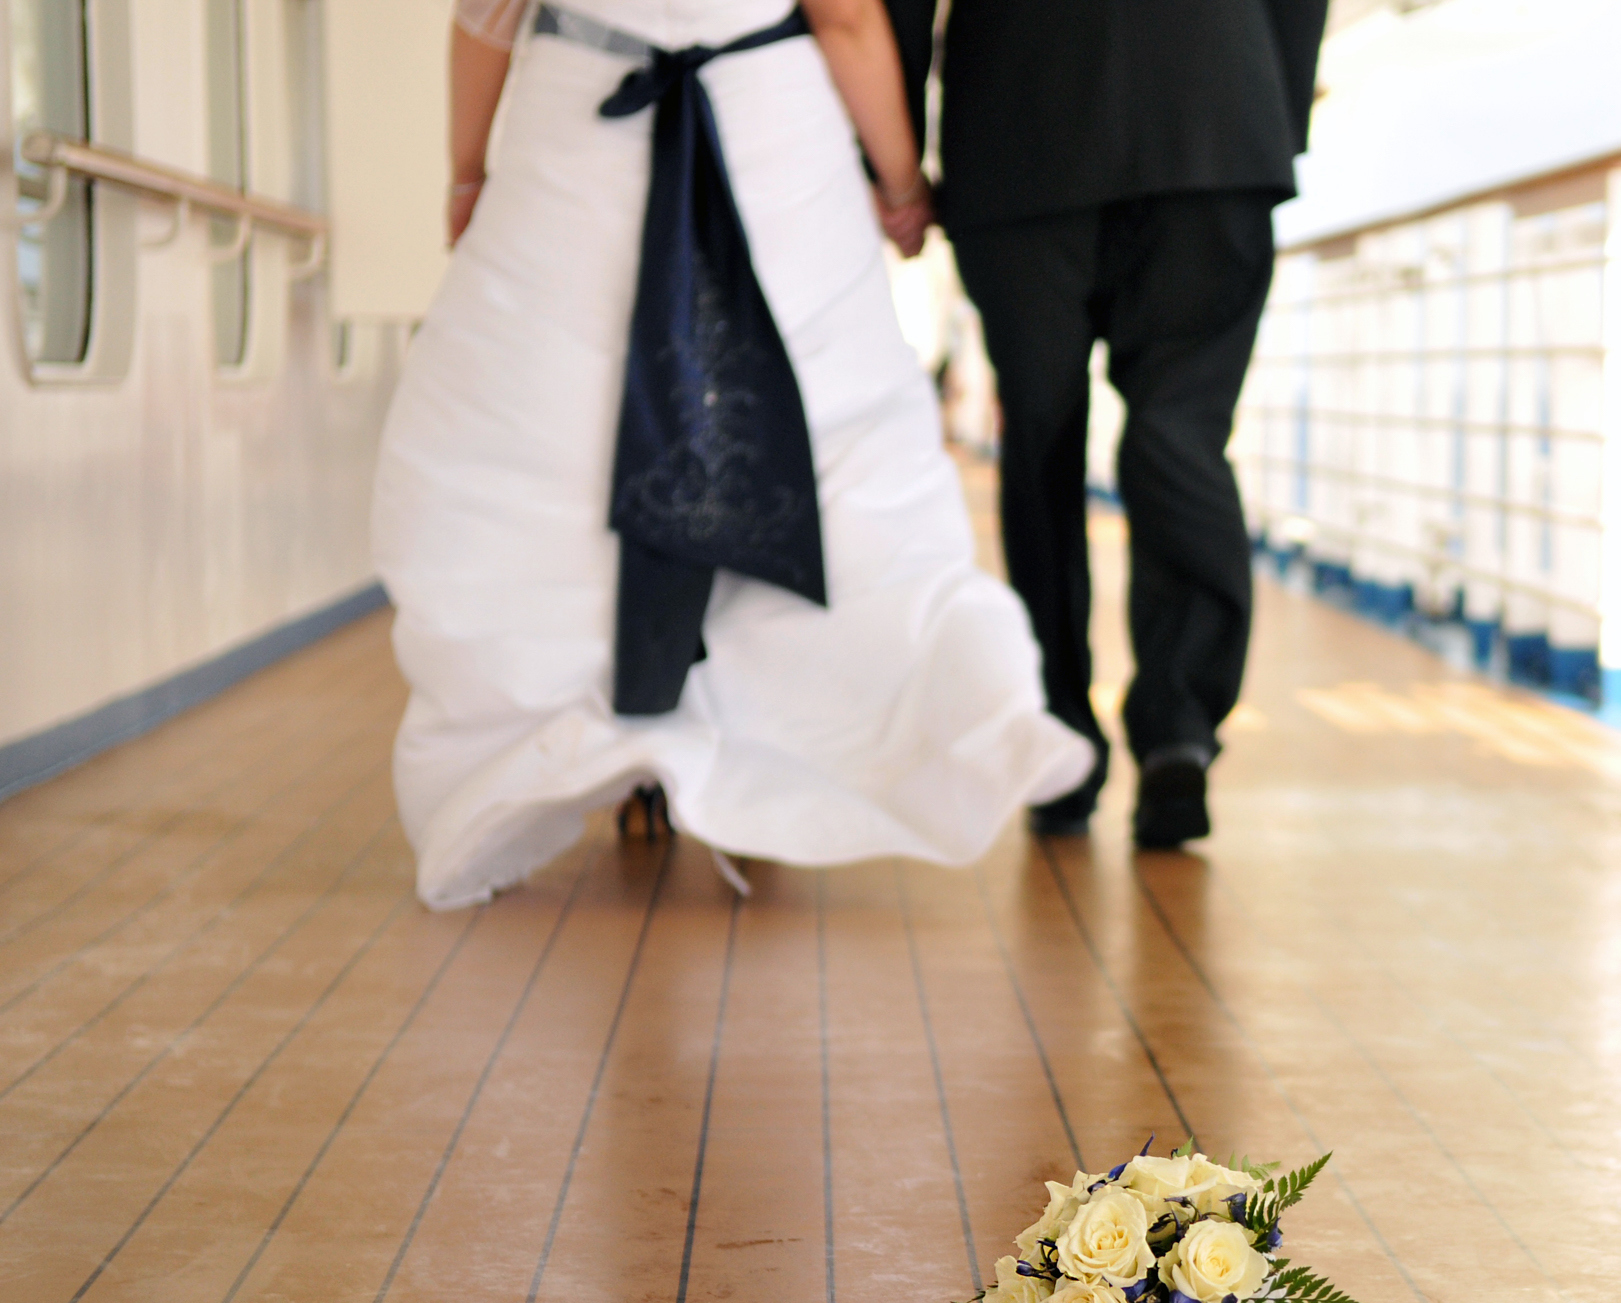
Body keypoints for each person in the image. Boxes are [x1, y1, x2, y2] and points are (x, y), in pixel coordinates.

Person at [375, 0, 1092, 910]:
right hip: (770, 129)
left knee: (564, 445)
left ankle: (611, 742)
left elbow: (484, 21)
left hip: (578, 125)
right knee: (811, 436)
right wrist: (902, 183)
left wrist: (467, 172)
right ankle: (781, 747)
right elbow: (848, 24)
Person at [885, 0, 1331, 847]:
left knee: (1042, 443)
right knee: (1182, 433)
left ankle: (1060, 739)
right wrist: (1271, 103)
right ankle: (1178, 735)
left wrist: (895, 153)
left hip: (1022, 124)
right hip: (1215, 120)